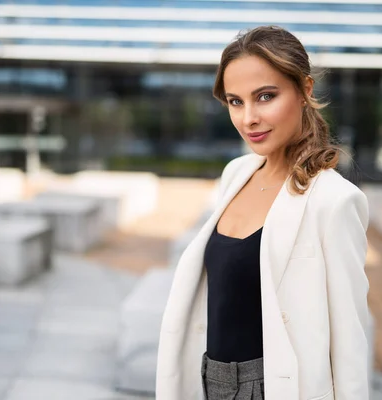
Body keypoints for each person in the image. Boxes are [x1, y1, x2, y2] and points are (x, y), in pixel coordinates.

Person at [156, 25, 370, 400]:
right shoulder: (236, 174)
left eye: (265, 96)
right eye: (235, 101)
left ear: (305, 90)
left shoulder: (334, 201)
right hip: (209, 380)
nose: (248, 118)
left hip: (276, 387)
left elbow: (350, 340)